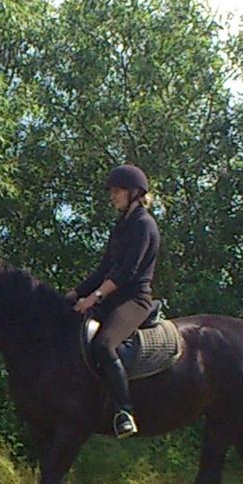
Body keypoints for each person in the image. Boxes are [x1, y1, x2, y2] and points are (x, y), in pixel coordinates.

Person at [64, 164, 160, 438]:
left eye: (117, 191)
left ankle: (125, 411)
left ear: (133, 193)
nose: (112, 196)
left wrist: (93, 298)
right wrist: (73, 294)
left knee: (105, 345)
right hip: (112, 297)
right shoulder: (121, 226)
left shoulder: (143, 225)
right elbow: (103, 270)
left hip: (134, 300)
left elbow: (126, 273)